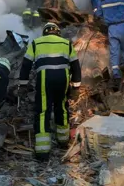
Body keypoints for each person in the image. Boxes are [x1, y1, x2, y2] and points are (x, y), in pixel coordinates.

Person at [17, 22, 83, 161]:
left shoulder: (36, 43)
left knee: (43, 111)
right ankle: (63, 141)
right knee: (62, 108)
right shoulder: (66, 43)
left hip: (45, 78)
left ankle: (43, 151)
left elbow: (26, 65)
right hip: (63, 78)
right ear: (58, 32)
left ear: (45, 32)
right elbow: (76, 66)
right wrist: (76, 87)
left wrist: (23, 84)